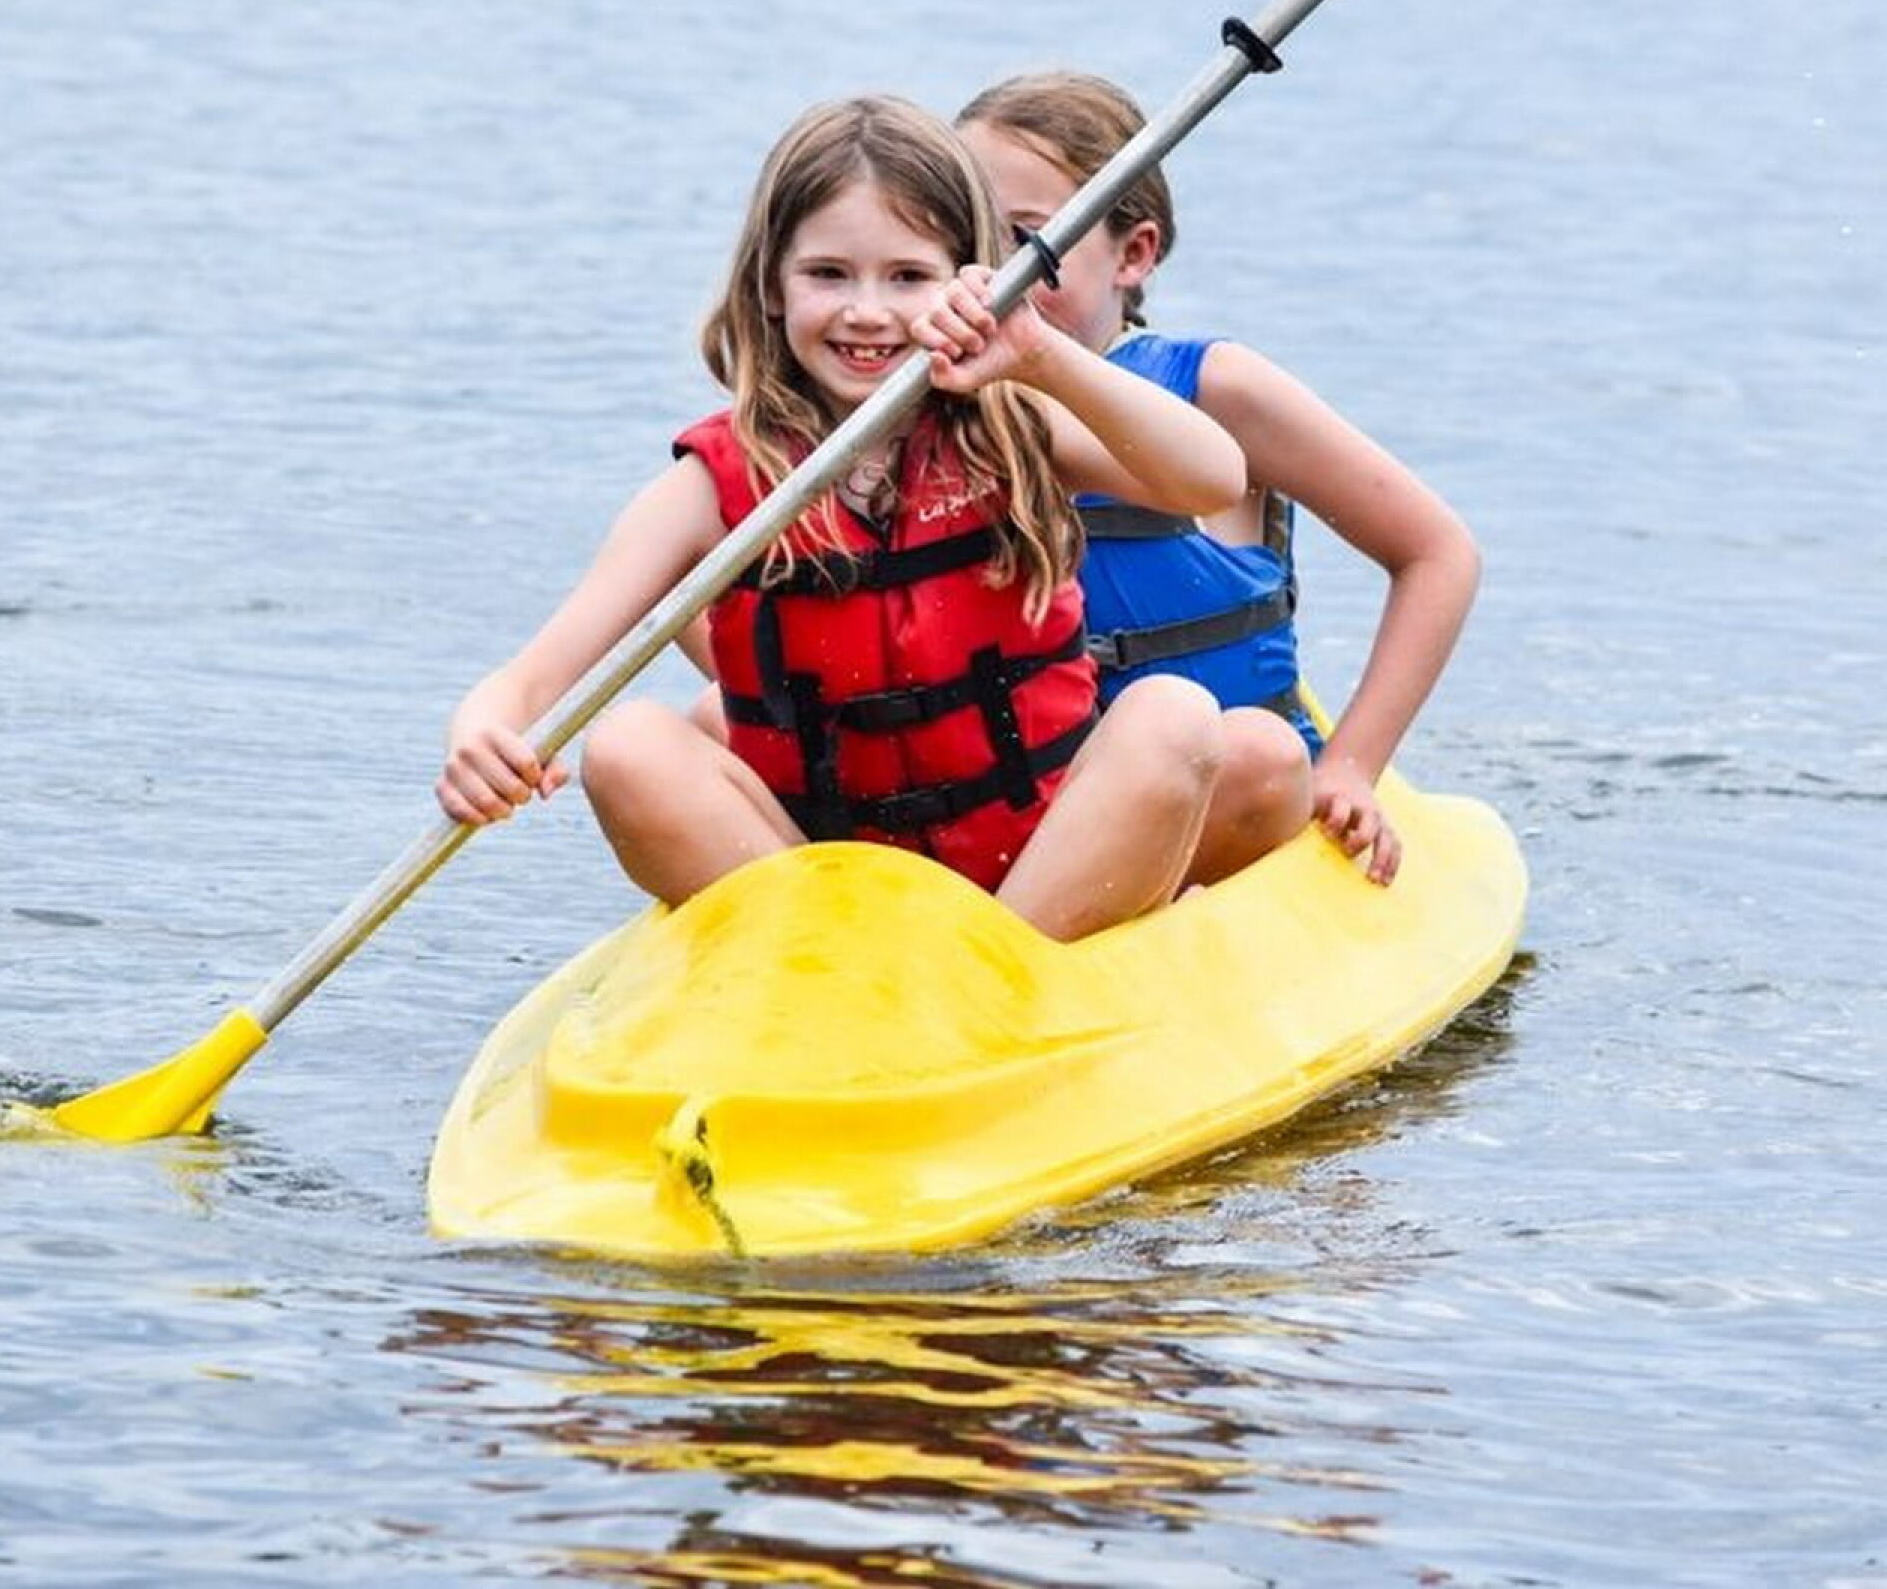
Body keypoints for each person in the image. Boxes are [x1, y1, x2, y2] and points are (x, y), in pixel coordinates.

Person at [435, 95, 1247, 942]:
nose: (867, 311)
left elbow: (1212, 478)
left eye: (908, 276)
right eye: (828, 274)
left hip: (1032, 877)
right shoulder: (714, 489)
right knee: (628, 744)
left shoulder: (1017, 423)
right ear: (773, 289)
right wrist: (479, 734)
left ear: (971, 281)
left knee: (1174, 716)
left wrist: (1044, 356)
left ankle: (995, 982)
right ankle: (821, 970)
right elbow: (527, 683)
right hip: (829, 893)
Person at [956, 70, 1481, 887]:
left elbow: (1437, 553)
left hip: (1227, 789)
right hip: (1031, 797)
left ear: (1135, 253)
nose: (993, 277)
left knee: (1243, 753)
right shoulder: (933, 405)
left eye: (1025, 243)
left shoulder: (1216, 390)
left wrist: (1351, 767)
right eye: (965, 242)